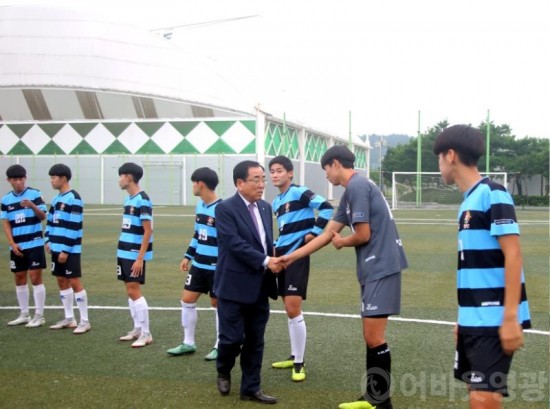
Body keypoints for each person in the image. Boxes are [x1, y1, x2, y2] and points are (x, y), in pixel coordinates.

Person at [280, 146, 407, 409]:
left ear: (335, 164)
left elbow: (362, 235)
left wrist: (343, 243)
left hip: (381, 266)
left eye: (325, 168)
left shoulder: (357, 187)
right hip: (374, 267)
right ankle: (374, 397)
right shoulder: (352, 191)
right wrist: (291, 256)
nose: (325, 174)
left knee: (375, 338)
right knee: (370, 336)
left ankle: (382, 403)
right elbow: (327, 234)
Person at [433, 124, 531, 409]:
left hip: (494, 318)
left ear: (450, 155)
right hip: (472, 320)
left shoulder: (493, 193)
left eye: (438, 158)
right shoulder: (467, 202)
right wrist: (463, 317)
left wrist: (511, 318)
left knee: (483, 402)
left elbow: (513, 255)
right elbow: (471, 265)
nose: (438, 166)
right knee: (477, 399)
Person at [214, 160, 281, 404]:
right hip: (233, 286)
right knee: (232, 339)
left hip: (260, 286)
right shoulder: (225, 209)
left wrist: (275, 260)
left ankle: (250, 388)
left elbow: (266, 242)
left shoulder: (265, 207)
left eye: (263, 179)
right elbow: (234, 244)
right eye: (256, 179)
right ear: (239, 183)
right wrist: (266, 261)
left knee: (255, 340)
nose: (262, 184)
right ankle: (223, 369)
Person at [268, 155, 334, 382]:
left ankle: (299, 362)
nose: (275, 175)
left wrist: (314, 233)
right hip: (283, 258)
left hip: (297, 257)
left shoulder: (299, 192)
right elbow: (283, 231)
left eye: (279, 171)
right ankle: (294, 355)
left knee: (293, 306)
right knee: (288, 308)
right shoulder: (276, 202)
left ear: (290, 173)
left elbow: (326, 208)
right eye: (272, 171)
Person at [167, 167, 221, 361]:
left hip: (216, 268)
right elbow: (198, 234)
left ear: (201, 184)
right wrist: (188, 256)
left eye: (193, 182)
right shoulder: (200, 206)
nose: (193, 186)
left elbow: (227, 241)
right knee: (187, 300)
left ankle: (220, 344)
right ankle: (188, 342)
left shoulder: (222, 208)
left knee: (217, 304)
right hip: (199, 265)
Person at [45, 164, 91, 334]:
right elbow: (50, 221)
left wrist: (65, 249)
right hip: (55, 248)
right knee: (61, 280)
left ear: (63, 178)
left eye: (53, 177)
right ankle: (69, 318)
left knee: (74, 281)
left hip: (69, 250)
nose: (51, 181)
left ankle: (84, 321)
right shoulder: (57, 199)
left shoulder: (74, 198)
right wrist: (47, 240)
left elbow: (74, 225)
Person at [2, 164, 48, 327]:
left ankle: (39, 315)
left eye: (21, 179)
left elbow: (43, 216)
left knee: (35, 278)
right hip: (17, 246)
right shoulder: (6, 199)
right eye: (15, 180)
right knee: (19, 278)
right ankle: (24, 314)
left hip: (34, 243)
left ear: (25, 178)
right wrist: (12, 244)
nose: (19, 182)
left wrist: (32, 206)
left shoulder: (34, 194)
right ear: (9, 181)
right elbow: (6, 223)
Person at [116, 162, 154, 348]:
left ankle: (146, 333)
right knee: (129, 291)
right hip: (123, 251)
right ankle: (137, 328)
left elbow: (148, 230)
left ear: (129, 177)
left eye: (121, 176)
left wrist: (140, 257)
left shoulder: (142, 199)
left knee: (134, 290)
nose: (119, 180)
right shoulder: (129, 199)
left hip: (133, 253)